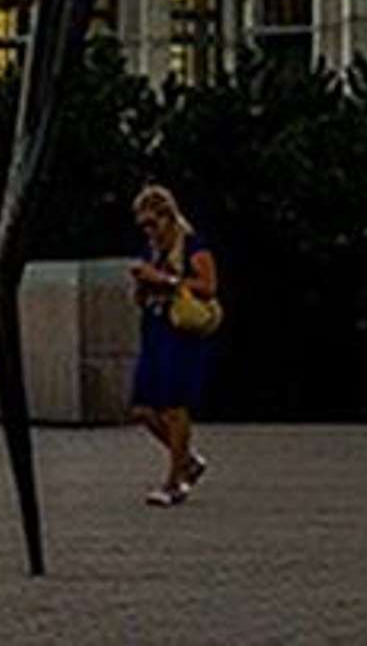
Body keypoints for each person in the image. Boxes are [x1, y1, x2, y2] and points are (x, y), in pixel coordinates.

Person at [126, 182, 218, 505]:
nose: (149, 230)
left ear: (168, 216)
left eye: (153, 223)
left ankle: (174, 481)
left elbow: (208, 287)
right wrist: (141, 284)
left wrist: (164, 280)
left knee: (174, 406)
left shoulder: (192, 245)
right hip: (155, 327)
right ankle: (187, 459)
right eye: (144, 225)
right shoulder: (152, 250)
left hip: (182, 331)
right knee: (143, 408)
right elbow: (142, 296)